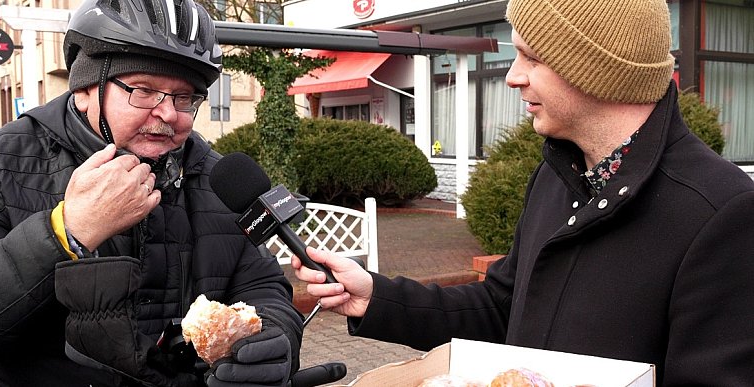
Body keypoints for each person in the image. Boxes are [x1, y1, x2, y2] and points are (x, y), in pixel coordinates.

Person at [292, 0, 754, 385]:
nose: (513, 76)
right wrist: (375, 297)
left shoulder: (722, 212)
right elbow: (502, 308)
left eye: (532, 57)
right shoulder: (556, 176)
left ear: (595, 69)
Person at [0, 0, 302, 385]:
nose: (168, 113)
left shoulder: (215, 176)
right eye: (144, 90)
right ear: (84, 89)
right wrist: (67, 231)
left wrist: (273, 340)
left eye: (184, 98)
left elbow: (262, 287)